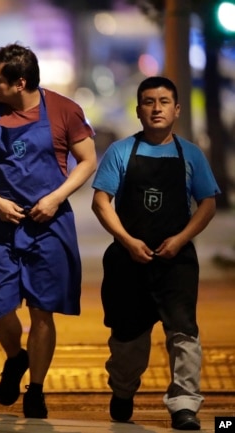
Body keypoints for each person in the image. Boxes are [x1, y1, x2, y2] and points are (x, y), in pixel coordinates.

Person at [0, 43, 96, 418]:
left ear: (19, 82)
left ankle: (35, 389)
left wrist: (56, 198)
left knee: (42, 311)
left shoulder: (65, 110)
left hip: (48, 224)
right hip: (3, 224)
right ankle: (15, 356)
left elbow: (87, 161)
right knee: (0, 309)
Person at [91, 76, 220, 430]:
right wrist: (126, 241)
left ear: (177, 109)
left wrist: (181, 239)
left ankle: (184, 406)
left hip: (175, 263)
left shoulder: (191, 154)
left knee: (184, 333)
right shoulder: (120, 152)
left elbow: (208, 204)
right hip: (127, 263)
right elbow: (101, 202)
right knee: (128, 340)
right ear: (138, 110)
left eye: (164, 101)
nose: (157, 108)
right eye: (149, 101)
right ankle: (122, 390)